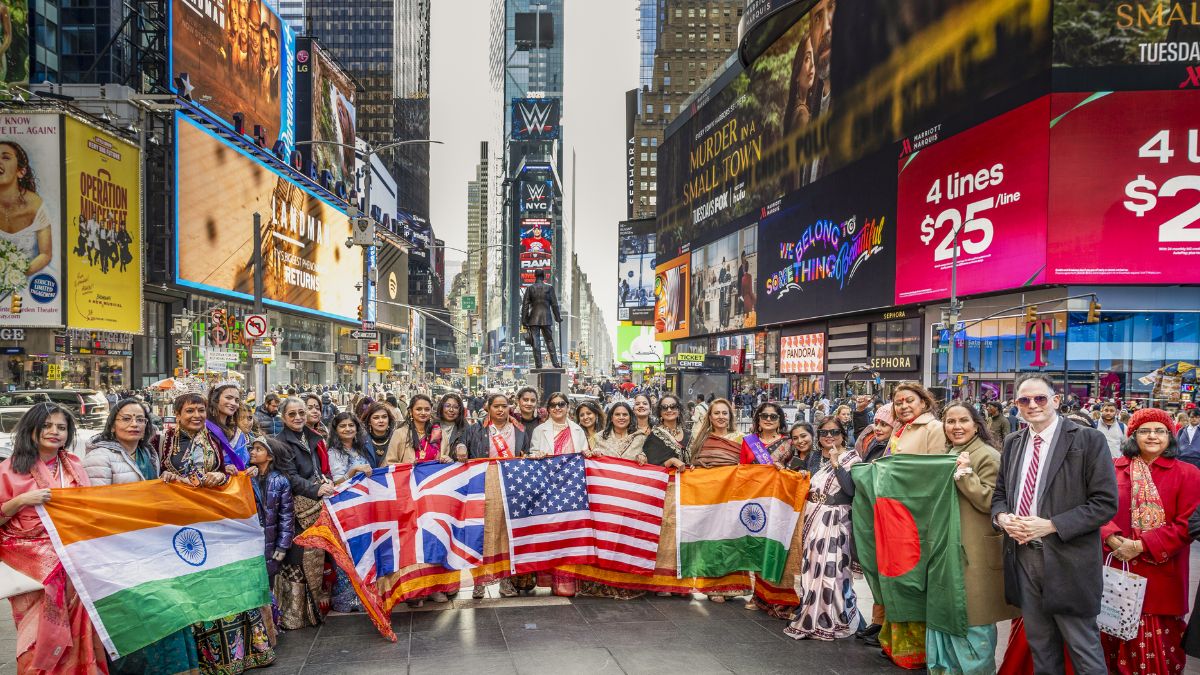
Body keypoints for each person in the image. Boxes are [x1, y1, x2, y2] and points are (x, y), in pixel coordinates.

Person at [990, 373, 1118, 675]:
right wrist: (1002, 517)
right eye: (1024, 400)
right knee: (1041, 647)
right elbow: (999, 494)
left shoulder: (1088, 439)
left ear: (1056, 400)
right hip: (1023, 557)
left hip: (1068, 560)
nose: (1032, 405)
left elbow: (1105, 503)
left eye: (1040, 398)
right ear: (1016, 404)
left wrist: (1051, 525)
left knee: (1083, 649)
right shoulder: (1013, 442)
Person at [160, 394, 276, 674]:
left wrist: (222, 477)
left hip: (216, 524)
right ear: (177, 413)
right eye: (189, 411)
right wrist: (170, 478)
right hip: (184, 527)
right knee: (197, 589)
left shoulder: (213, 439)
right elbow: (157, 474)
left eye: (200, 410)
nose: (196, 416)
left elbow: (229, 470)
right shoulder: (163, 441)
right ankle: (205, 660)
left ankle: (241, 653)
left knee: (227, 585)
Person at [0, 402, 107, 673]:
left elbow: (88, 510)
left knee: (78, 628)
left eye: (61, 427)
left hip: (74, 563)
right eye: (47, 425)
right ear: (31, 429)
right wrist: (21, 500)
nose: (54, 432)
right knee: (33, 637)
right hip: (31, 568)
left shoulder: (74, 465)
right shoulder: (9, 469)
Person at [1099, 408, 1200, 674]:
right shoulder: (1113, 468)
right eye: (1144, 431)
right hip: (1117, 568)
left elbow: (1188, 524)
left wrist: (1141, 545)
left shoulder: (1188, 473)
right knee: (1109, 643)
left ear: (1170, 435)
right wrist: (1111, 536)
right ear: (1133, 435)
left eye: (1159, 431)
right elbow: (1096, 507)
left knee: (1156, 654)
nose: (1152, 436)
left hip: (1162, 573)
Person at [924, 402, 1019, 675]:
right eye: (950, 421)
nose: (956, 427)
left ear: (976, 424)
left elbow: (993, 502)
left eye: (962, 420)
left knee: (973, 625)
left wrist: (966, 475)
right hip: (948, 550)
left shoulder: (987, 455)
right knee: (946, 619)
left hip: (974, 554)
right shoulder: (950, 452)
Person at [784, 416, 863, 641]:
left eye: (834, 432)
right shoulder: (815, 457)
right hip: (813, 518)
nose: (829, 436)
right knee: (812, 570)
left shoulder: (852, 457)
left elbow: (850, 490)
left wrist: (837, 463)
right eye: (824, 433)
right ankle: (810, 613)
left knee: (834, 571)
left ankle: (836, 618)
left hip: (836, 521)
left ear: (843, 434)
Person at [457, 394, 532, 599]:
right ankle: (478, 582)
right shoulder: (476, 429)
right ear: (488, 408)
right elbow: (461, 443)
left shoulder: (519, 431)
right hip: (483, 486)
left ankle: (505, 582)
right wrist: (461, 447)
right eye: (496, 406)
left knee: (507, 534)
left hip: (510, 488)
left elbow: (524, 454)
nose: (500, 410)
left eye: (504, 406)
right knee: (483, 533)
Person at [272, 397, 333, 630]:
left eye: (301, 412)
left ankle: (313, 611)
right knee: (297, 558)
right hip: (296, 509)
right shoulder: (280, 443)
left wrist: (322, 482)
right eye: (292, 414)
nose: (298, 417)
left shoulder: (311, 436)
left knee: (315, 557)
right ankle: (293, 616)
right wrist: (316, 488)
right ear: (283, 418)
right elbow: (289, 476)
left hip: (315, 506)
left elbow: (315, 469)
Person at [247, 437, 293, 586]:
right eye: (252, 448)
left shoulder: (280, 481)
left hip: (271, 541)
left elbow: (286, 516)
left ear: (270, 457)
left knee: (268, 580)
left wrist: (283, 545)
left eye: (258, 449)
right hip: (251, 538)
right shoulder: (247, 477)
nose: (252, 452)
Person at [83, 398, 160, 486]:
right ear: (112, 426)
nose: (134, 424)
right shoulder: (98, 458)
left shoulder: (147, 452)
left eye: (140, 420)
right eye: (126, 419)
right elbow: (97, 497)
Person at [889, 382, 945, 456]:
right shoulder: (898, 428)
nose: (904, 406)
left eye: (910, 401)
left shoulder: (935, 428)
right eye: (898, 403)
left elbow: (936, 464)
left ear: (923, 403)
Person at [529, 392, 588, 458]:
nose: (557, 408)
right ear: (548, 409)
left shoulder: (578, 430)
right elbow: (533, 454)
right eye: (552, 405)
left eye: (561, 404)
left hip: (573, 468)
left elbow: (585, 454)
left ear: (568, 407)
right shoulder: (538, 430)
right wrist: (537, 455)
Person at [208, 384, 250, 473]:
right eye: (228, 398)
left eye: (237, 400)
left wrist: (251, 469)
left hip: (237, 484)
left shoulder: (238, 432)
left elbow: (244, 464)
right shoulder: (203, 428)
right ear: (215, 399)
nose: (233, 403)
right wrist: (222, 469)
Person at [642, 395, 689, 469]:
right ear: (660, 412)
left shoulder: (689, 434)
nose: (669, 410)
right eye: (664, 407)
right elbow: (651, 470)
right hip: (667, 480)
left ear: (679, 410)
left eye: (673, 407)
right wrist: (671, 461)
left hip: (689, 479)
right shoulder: (654, 437)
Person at [740, 401, 789, 467]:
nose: (768, 419)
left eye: (773, 416)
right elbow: (742, 469)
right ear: (758, 420)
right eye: (764, 416)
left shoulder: (788, 443)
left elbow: (793, 471)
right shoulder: (748, 441)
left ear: (779, 421)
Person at [435, 393, 470, 459]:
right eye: (447, 406)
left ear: (460, 410)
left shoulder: (465, 428)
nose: (451, 410)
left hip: (455, 467)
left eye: (455, 407)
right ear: (441, 407)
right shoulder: (432, 426)